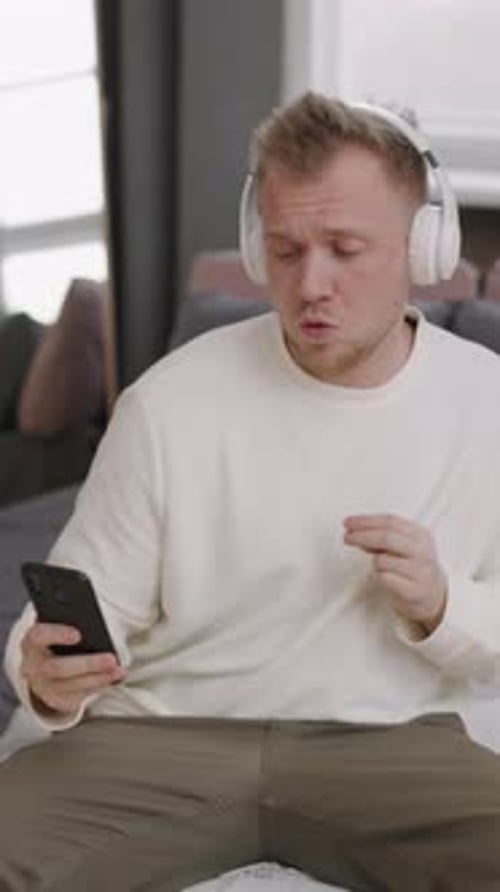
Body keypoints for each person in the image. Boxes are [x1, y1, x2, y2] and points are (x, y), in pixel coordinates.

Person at [1, 91, 500, 892]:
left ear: (423, 246)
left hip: (392, 743)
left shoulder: (490, 404)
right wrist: (46, 673)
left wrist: (443, 605)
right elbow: (90, 605)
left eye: (345, 248)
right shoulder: (168, 404)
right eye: (287, 249)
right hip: (164, 739)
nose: (312, 285)